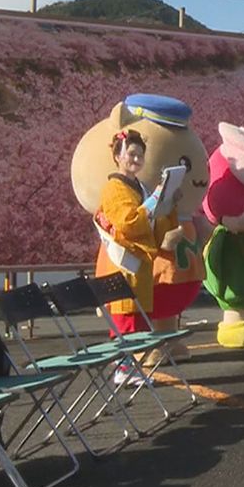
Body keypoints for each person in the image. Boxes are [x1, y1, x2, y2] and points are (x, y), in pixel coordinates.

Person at [93, 129, 184, 339]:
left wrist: (169, 202)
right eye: (131, 154)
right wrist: (154, 200)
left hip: (139, 268)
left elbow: (152, 222)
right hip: (123, 265)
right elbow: (128, 222)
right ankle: (124, 371)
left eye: (140, 155)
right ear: (117, 157)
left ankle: (131, 370)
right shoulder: (114, 188)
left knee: (140, 328)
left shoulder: (138, 187)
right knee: (128, 328)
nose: (136, 159)